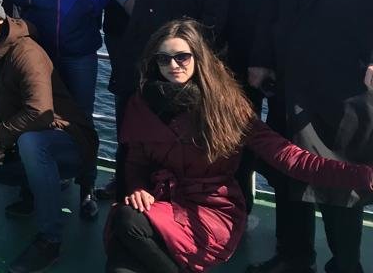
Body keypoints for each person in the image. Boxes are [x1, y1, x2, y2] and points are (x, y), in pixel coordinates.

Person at [106, 20, 373, 273]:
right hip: (162, 202)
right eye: (163, 59)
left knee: (126, 221)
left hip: (209, 212)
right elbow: (136, 163)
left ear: (199, 59)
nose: (173, 65)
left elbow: (291, 159)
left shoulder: (226, 108)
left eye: (182, 57)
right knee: (120, 261)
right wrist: (139, 187)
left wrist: (364, 176)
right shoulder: (142, 104)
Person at [248, 0, 373, 273]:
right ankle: (294, 256)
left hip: (347, 89)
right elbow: (272, 5)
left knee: (342, 182)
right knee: (288, 173)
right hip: (292, 81)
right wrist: (260, 59)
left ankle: (346, 265)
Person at [0, 0, 98, 273]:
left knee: (32, 143)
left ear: (0, 17)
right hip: (19, 139)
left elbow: (39, 113)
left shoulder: (26, 52)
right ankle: (31, 187)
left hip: (67, 141)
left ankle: (50, 239)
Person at [3, 0, 112, 215]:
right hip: (41, 51)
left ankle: (86, 188)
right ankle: (31, 189)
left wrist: (90, 5)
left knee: (82, 120)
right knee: (35, 115)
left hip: (80, 50)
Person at [211, 0, 304, 213]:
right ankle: (237, 216)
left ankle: (291, 232)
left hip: (289, 58)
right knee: (233, 140)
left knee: (288, 145)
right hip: (235, 54)